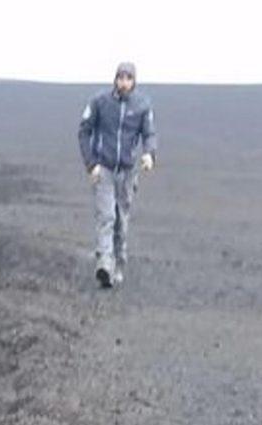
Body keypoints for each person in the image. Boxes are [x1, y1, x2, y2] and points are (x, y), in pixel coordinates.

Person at [77, 61, 158, 288]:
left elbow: (149, 134)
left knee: (121, 220)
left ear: (134, 81)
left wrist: (149, 154)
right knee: (106, 217)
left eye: (128, 78)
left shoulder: (142, 105)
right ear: (115, 79)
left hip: (127, 171)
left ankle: (119, 262)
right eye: (120, 78)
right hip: (104, 168)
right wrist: (91, 164)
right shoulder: (100, 102)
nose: (123, 82)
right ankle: (104, 263)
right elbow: (84, 131)